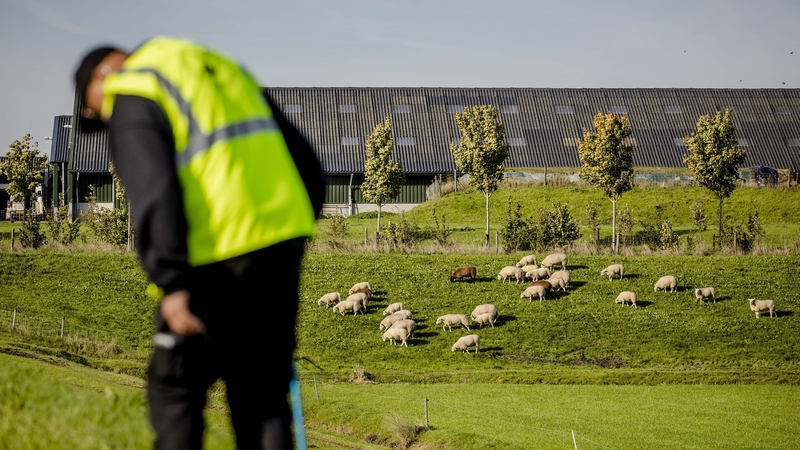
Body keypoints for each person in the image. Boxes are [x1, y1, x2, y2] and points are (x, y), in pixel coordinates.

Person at [73, 37, 324, 449]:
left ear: (104, 75)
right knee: (261, 396)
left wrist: (171, 282)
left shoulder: (135, 89)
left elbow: (155, 192)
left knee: (176, 389)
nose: (104, 121)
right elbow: (307, 163)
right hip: (281, 248)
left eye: (94, 111)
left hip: (213, 259)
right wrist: (292, 236)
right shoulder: (223, 69)